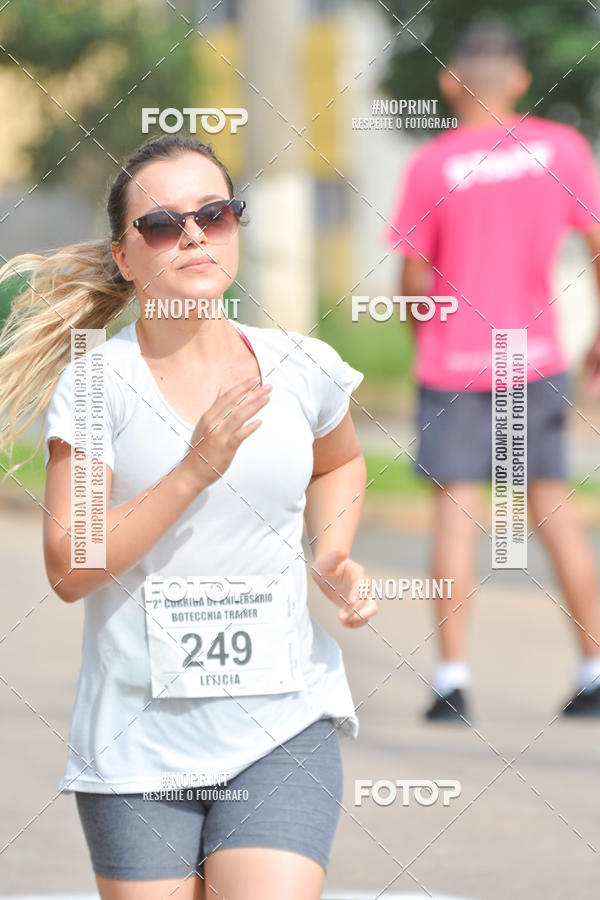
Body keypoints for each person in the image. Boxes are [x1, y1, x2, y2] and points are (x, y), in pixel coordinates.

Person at [0, 135, 377, 900]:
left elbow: (341, 461)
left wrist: (332, 553)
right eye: (165, 224)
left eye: (215, 212)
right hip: (138, 740)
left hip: (282, 723)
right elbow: (71, 567)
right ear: (126, 257)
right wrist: (194, 469)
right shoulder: (98, 382)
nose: (196, 233)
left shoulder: (301, 364)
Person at [385, 19, 600, 722]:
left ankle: (451, 682)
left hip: (453, 365)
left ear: (451, 83)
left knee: (456, 515)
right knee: (554, 512)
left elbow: (414, 282)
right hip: (533, 357)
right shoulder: (560, 149)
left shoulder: (431, 165)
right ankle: (593, 672)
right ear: (520, 82)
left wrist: (433, 333)